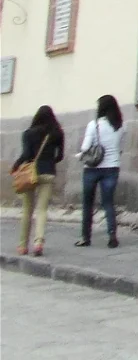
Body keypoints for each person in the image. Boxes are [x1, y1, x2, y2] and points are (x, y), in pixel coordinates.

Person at [11, 105, 65, 256]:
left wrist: (16, 166)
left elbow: (26, 154)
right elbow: (60, 156)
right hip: (48, 173)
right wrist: (50, 162)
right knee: (42, 209)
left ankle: (23, 246)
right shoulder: (57, 133)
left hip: (30, 174)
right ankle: (38, 242)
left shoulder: (28, 133)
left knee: (27, 210)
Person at [77, 94, 125, 249]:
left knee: (87, 203)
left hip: (92, 168)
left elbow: (85, 147)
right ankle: (112, 236)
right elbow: (120, 147)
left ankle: (85, 237)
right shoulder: (121, 126)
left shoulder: (94, 125)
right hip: (112, 167)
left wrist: (81, 154)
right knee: (108, 202)